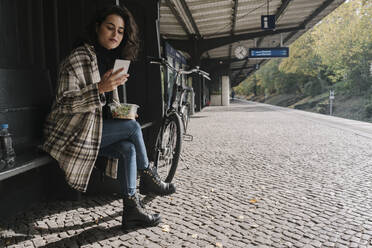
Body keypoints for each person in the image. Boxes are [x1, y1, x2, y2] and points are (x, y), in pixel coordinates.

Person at [42, 5, 175, 229]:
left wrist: (120, 111)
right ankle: (149, 176)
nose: (115, 35)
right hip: (69, 133)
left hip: (92, 129)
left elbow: (102, 108)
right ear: (97, 27)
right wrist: (100, 88)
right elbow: (64, 104)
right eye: (110, 28)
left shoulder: (110, 59)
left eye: (121, 31)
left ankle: (132, 210)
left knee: (128, 148)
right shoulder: (79, 57)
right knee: (132, 128)